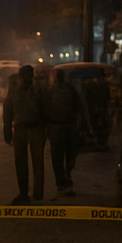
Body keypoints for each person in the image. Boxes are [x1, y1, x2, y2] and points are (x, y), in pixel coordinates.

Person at [2, 65, 45, 203]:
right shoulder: (23, 90)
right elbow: (8, 110)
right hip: (25, 129)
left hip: (34, 128)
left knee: (32, 162)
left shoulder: (36, 90)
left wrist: (7, 129)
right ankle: (27, 193)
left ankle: (31, 193)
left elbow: (8, 110)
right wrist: (7, 129)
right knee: (26, 162)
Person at [41, 67, 85, 198]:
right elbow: (79, 108)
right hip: (68, 128)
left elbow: (44, 111)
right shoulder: (71, 90)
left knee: (57, 157)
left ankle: (61, 182)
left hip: (56, 129)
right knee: (69, 155)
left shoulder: (50, 92)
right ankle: (67, 178)